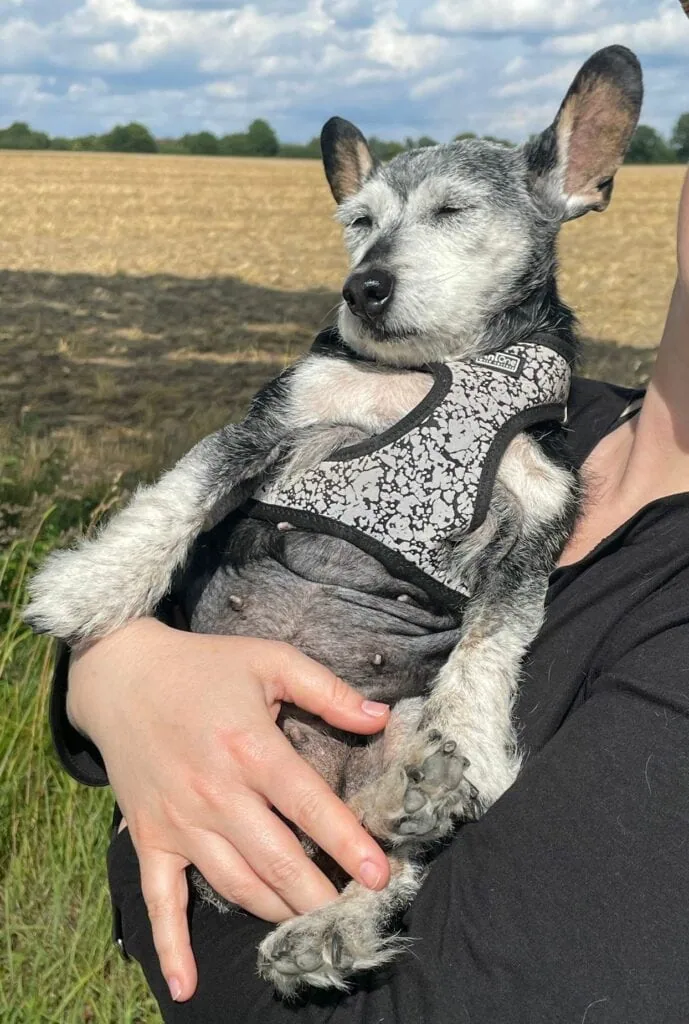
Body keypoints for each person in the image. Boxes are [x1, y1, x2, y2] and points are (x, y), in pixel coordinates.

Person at [51, 157, 689, 1022]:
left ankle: (372, 887)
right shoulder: (550, 412)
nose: (372, 267)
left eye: (451, 213)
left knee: (423, 776)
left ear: (579, 178)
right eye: (363, 221)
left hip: (292, 903)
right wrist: (109, 669)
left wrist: (139, 853)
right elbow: (185, 541)